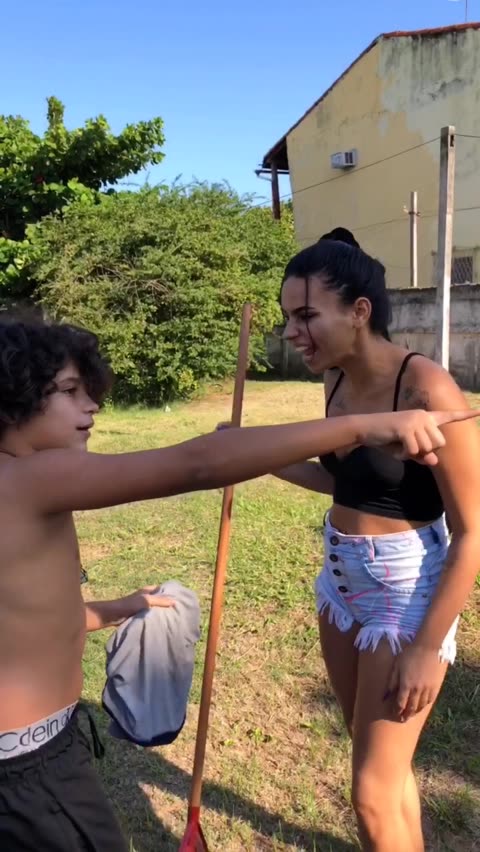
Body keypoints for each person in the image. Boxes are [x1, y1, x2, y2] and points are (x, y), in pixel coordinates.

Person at [0, 317, 475, 852]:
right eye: (69, 391)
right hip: (30, 772)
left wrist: (121, 607)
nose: (91, 406)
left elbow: (29, 621)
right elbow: (197, 464)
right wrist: (364, 428)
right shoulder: (28, 480)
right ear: (12, 402)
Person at [275, 239, 480, 851]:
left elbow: (473, 529)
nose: (291, 331)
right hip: (339, 584)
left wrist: (426, 647)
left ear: (359, 311)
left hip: (405, 592)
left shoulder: (426, 387)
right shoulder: (336, 380)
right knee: (381, 771)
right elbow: (349, 484)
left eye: (305, 315)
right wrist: (253, 457)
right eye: (287, 317)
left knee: (370, 793)